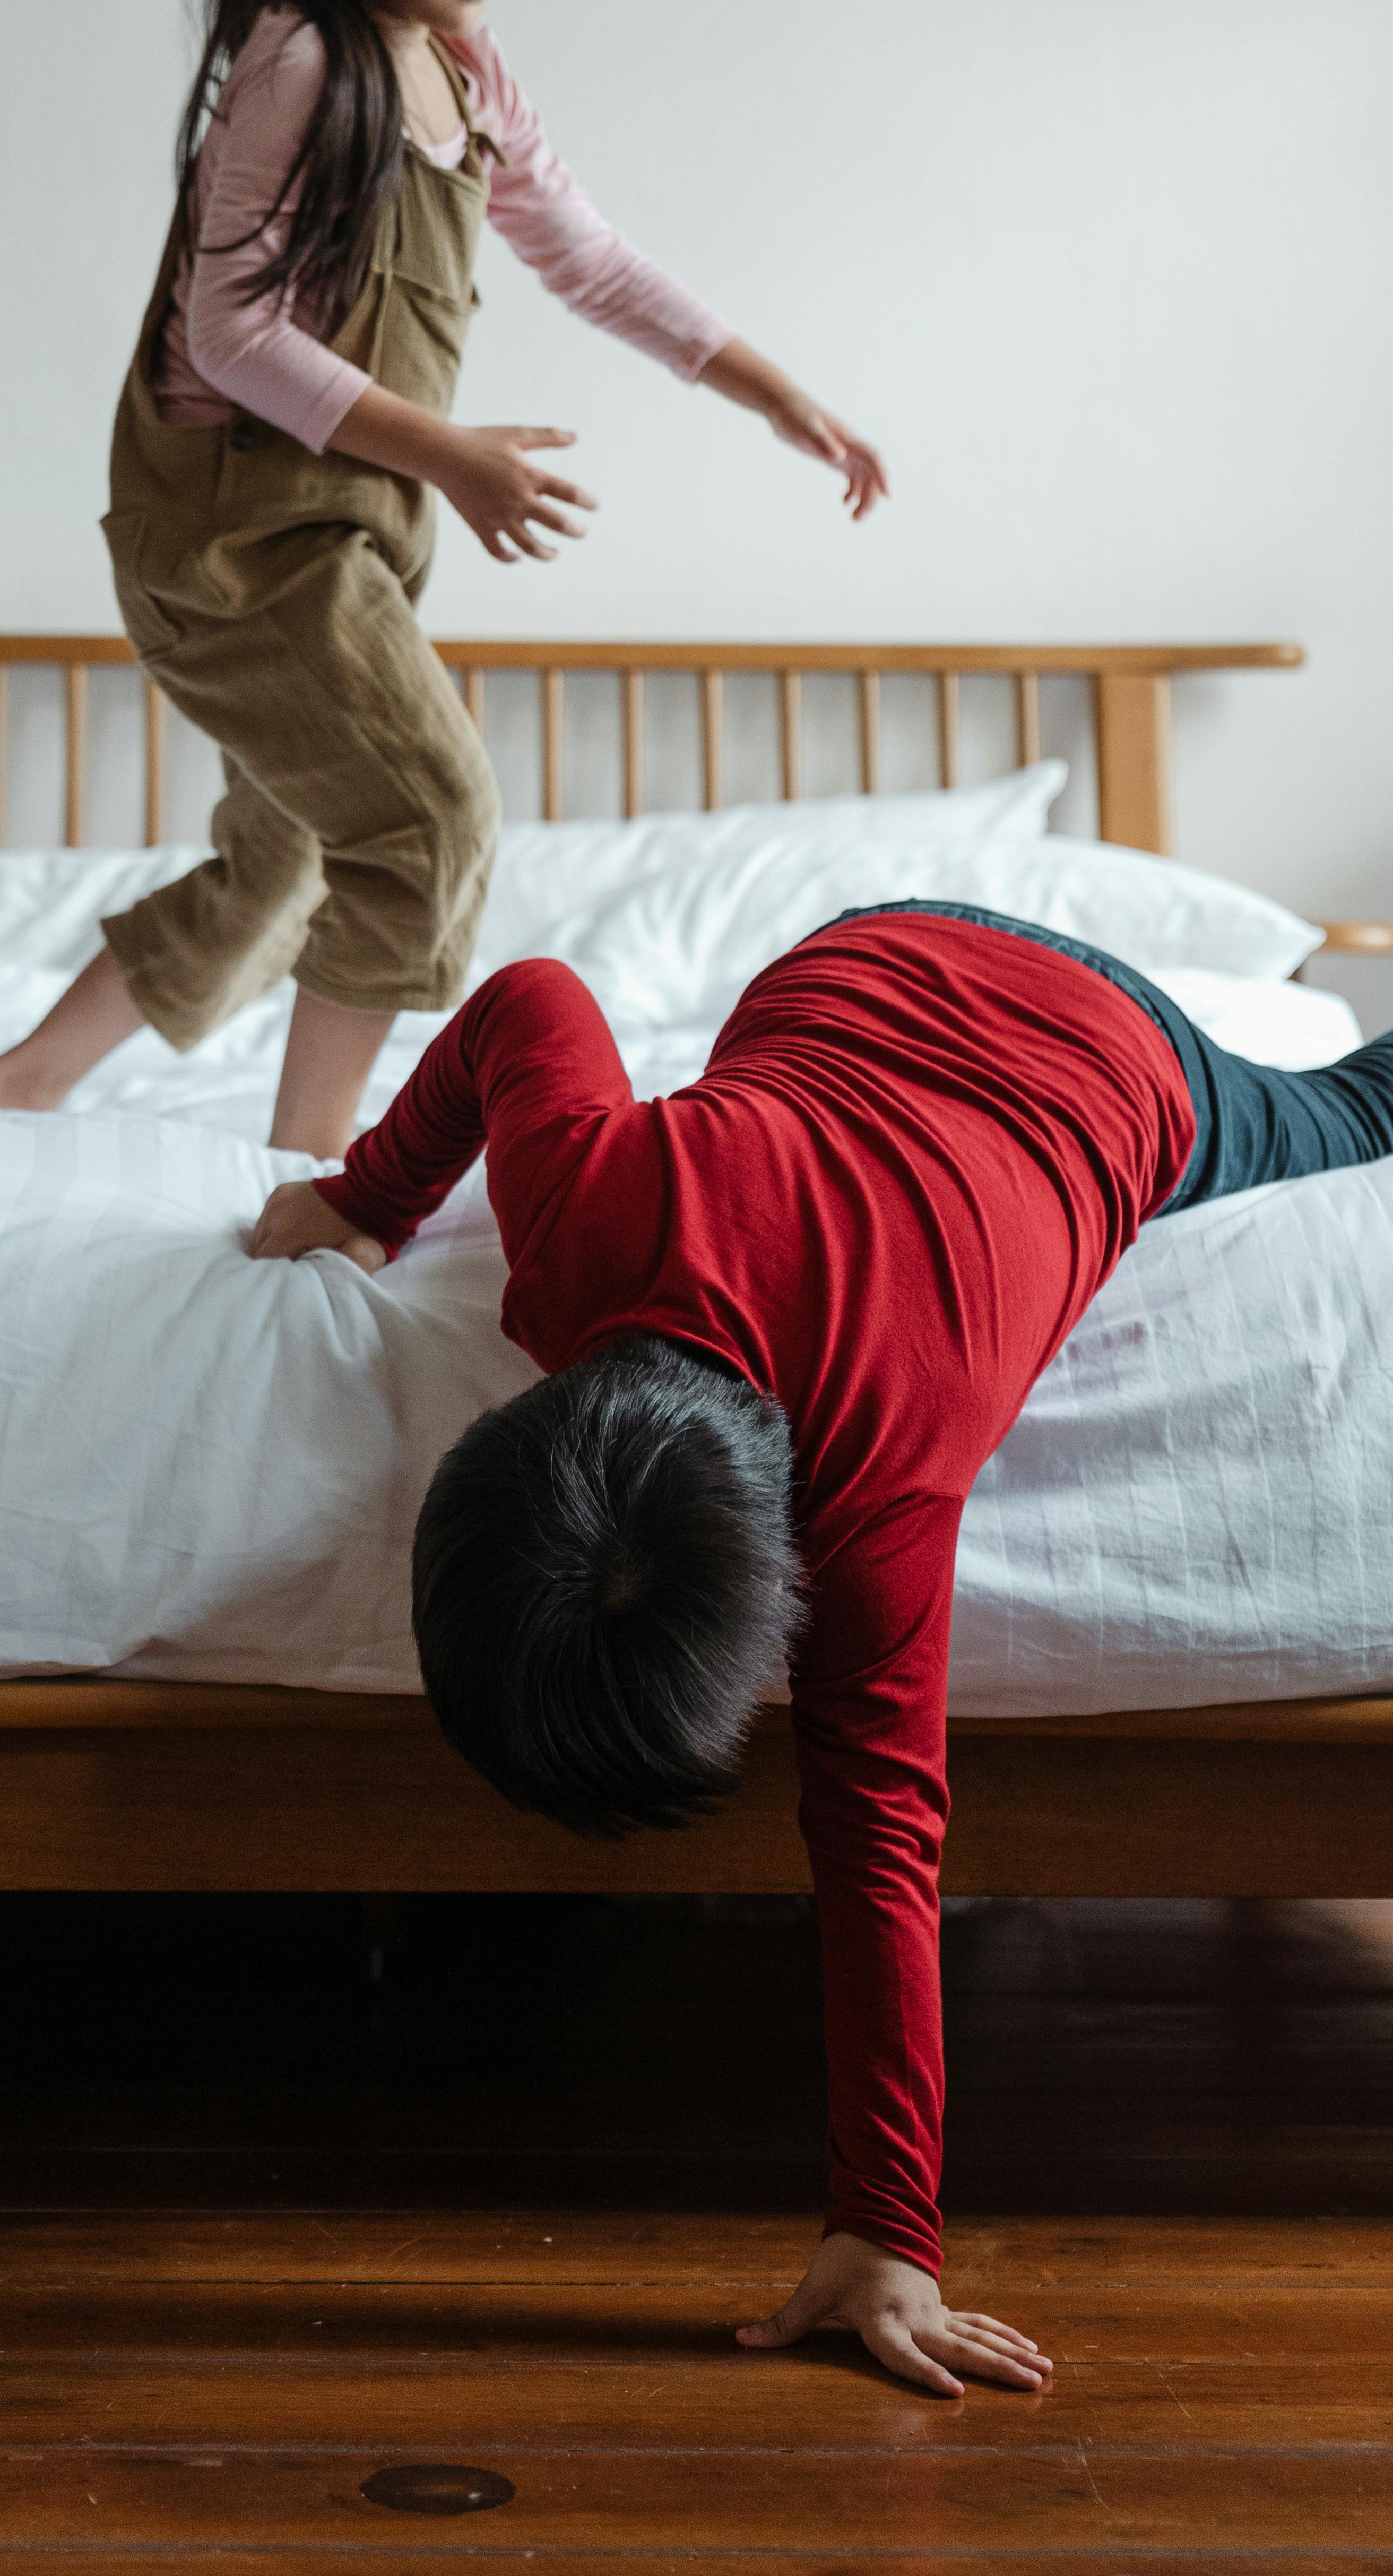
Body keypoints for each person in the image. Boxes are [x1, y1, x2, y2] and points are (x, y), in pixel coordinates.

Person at [246, 901, 1393, 2394]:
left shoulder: (882, 1492)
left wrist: (889, 2227)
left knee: (1354, 1110)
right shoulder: (582, 1201)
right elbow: (525, 992)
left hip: (1116, 1061)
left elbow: (881, 1838)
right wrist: (364, 1194)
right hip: (883, 946)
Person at [0, 0, 885, 1146]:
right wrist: (449, 454)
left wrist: (764, 388)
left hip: (335, 542)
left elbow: (583, 250)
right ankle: (309, 1161)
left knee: (287, 858)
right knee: (427, 815)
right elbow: (229, 332)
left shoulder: (464, 69)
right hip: (233, 548)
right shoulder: (302, 65)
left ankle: (14, 1080)